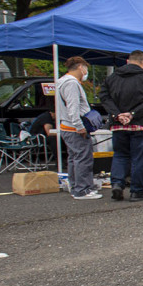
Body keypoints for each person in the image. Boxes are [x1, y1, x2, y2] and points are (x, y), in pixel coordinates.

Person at [99, 50, 143, 202]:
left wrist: (117, 114)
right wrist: (133, 114)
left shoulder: (112, 78)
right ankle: (137, 190)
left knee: (120, 155)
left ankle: (117, 184)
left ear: (127, 61)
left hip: (118, 124)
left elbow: (104, 98)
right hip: (142, 124)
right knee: (140, 158)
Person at [55, 57, 100, 200]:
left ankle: (75, 186)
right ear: (81, 67)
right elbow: (73, 108)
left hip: (66, 126)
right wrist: (79, 126)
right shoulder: (71, 84)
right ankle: (82, 189)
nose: (86, 72)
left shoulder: (61, 82)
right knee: (83, 158)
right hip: (74, 128)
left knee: (74, 158)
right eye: (85, 68)